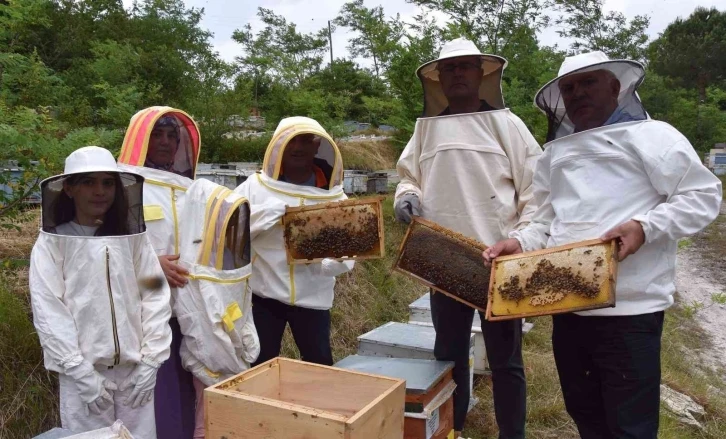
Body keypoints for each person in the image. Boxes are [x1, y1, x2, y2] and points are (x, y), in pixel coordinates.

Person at [483, 51, 723, 439]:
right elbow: (546, 220)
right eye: (568, 88)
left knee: (630, 425)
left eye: (588, 83)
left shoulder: (654, 136)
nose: (577, 93)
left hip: (630, 313)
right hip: (568, 308)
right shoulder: (554, 154)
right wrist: (519, 241)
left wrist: (645, 227)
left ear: (615, 86)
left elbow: (703, 195)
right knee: (585, 412)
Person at [393, 37, 542, 439]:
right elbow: (409, 175)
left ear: (482, 74)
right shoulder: (426, 129)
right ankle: (450, 430)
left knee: (506, 361)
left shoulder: (508, 125)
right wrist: (407, 196)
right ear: (439, 78)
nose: (457, 73)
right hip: (444, 260)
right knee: (449, 355)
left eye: (466, 66)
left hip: (500, 262)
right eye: (450, 68)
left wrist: (525, 240)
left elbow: (536, 192)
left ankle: (513, 434)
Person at [29, 146, 172, 439]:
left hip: (136, 372)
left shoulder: (135, 240)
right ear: (69, 188)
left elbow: (155, 294)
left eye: (107, 183)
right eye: (89, 182)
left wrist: (151, 361)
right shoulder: (52, 243)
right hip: (84, 378)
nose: (100, 191)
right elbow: (48, 309)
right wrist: (79, 371)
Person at [235, 116, 354, 367]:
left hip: (314, 298)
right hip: (263, 295)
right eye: (291, 141)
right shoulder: (254, 187)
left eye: (305, 141)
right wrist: (269, 213)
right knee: (259, 366)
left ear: (317, 146)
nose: (298, 148)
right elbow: (229, 231)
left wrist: (323, 263)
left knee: (320, 365)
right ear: (279, 146)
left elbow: (348, 255)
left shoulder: (337, 197)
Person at [118, 107, 202, 439]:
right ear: (139, 138)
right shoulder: (118, 186)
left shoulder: (190, 189)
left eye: (172, 136)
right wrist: (155, 269)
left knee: (187, 397)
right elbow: (108, 255)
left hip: (189, 314)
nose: (166, 143)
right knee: (156, 404)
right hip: (143, 313)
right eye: (157, 135)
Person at [175, 178, 260, 439]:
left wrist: (247, 341)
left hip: (235, 362)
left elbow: (242, 308)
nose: (231, 226)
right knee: (207, 423)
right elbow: (202, 334)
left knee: (228, 423)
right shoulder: (190, 275)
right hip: (211, 369)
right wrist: (235, 365)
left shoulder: (230, 262)